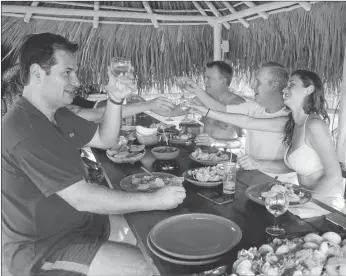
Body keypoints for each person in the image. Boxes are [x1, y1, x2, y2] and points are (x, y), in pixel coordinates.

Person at [2, 33, 186, 276]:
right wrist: (155, 199)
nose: (77, 81)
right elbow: (82, 197)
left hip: (79, 222)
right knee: (150, 267)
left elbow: (105, 139)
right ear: (37, 73)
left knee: (151, 228)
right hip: (45, 249)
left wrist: (115, 99)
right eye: (67, 72)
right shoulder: (24, 130)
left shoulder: (55, 114)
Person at [189, 69, 345, 209]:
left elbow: (334, 177)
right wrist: (206, 111)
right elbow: (247, 122)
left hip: (325, 203)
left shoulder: (315, 125)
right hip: (304, 201)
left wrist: (302, 204)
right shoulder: (291, 122)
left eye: (292, 85)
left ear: (309, 89)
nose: (285, 89)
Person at [185, 62, 292, 175]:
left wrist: (258, 164)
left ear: (274, 85)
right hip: (251, 176)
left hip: (280, 184)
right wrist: (197, 92)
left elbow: (292, 166)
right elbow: (222, 109)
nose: (252, 86)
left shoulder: (290, 118)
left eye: (258, 82)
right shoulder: (254, 107)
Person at [179, 61, 246, 149]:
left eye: (209, 78)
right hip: (202, 156)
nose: (205, 82)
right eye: (205, 77)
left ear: (223, 81)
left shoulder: (238, 104)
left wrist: (215, 143)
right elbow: (174, 111)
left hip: (226, 159)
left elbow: (243, 142)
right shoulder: (202, 99)